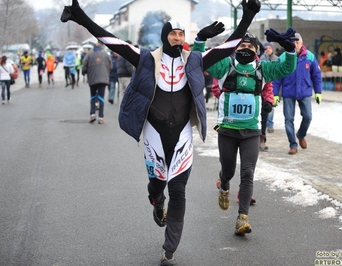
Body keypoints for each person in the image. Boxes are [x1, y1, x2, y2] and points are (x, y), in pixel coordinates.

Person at [60, 0, 260, 264]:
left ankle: (169, 248)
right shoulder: (146, 58)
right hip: (154, 133)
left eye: (181, 35)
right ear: (165, 35)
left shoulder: (195, 60)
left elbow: (228, 47)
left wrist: (248, 15)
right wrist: (79, 16)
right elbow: (112, 40)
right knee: (158, 185)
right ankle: (156, 200)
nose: (177, 38)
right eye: (173, 33)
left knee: (178, 189)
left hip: (182, 136)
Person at [194, 29, 297, 236]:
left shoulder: (263, 69)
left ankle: (242, 218)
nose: (246, 49)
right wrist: (199, 41)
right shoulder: (225, 66)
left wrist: (290, 49)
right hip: (227, 130)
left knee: (248, 172)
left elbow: (287, 67)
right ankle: (224, 184)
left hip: (251, 130)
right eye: (242, 46)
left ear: (257, 50)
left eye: (251, 46)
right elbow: (201, 60)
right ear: (234, 48)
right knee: (229, 170)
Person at [273, 33, 322, 155]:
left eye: (297, 42)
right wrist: (275, 94)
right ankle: (293, 144)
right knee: (288, 119)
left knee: (308, 116)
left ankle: (301, 135)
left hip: (304, 91)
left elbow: (316, 76)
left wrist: (318, 92)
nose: (295, 45)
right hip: (288, 92)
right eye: (292, 42)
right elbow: (277, 77)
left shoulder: (310, 57)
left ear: (301, 43)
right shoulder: (284, 57)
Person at [82, 43, 112, 124]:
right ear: (100, 48)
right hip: (103, 79)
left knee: (92, 97)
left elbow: (84, 67)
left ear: (94, 48)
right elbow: (110, 66)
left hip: (92, 80)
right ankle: (101, 117)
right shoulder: (106, 55)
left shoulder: (89, 56)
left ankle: (92, 115)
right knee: (101, 97)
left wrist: (84, 72)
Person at [259, 41, 279, 134]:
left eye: (270, 48)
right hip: (263, 87)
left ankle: (270, 124)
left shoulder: (276, 59)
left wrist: (278, 92)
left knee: (270, 107)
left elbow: (279, 75)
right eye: (266, 48)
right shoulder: (261, 59)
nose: (268, 50)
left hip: (273, 87)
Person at [117, 40, 135, 105]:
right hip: (127, 76)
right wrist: (134, 74)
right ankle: (126, 109)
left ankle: (120, 109)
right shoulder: (128, 53)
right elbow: (129, 66)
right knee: (128, 94)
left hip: (120, 75)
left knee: (121, 93)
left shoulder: (121, 53)